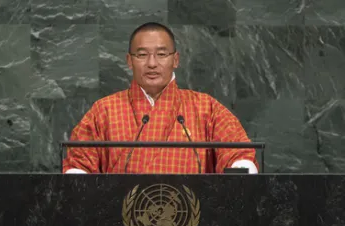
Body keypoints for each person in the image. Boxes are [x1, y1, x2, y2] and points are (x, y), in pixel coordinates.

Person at [63, 22, 258, 174]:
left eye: (161, 54)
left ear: (176, 60)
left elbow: (238, 152)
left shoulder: (206, 108)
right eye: (142, 55)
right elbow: (79, 163)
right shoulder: (104, 110)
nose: (152, 63)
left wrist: (241, 167)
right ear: (129, 61)